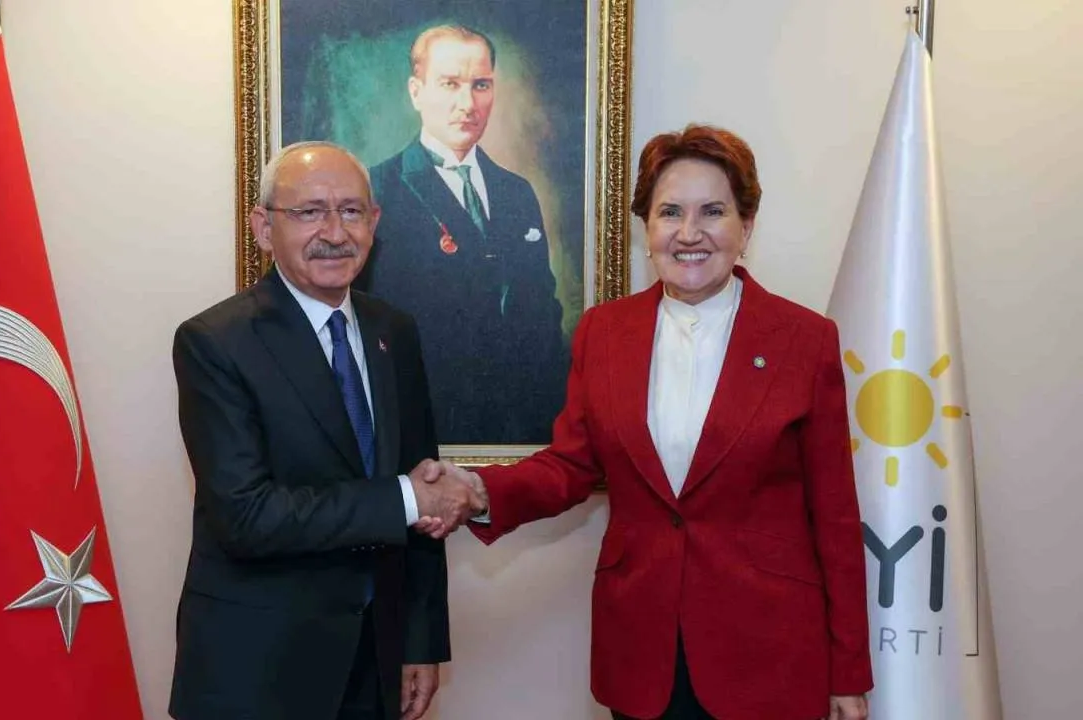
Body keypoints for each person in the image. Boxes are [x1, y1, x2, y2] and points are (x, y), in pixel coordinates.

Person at [425, 125, 873, 719]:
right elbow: (571, 465)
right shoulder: (605, 332)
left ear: (746, 226)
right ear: (647, 227)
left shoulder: (804, 340)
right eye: (670, 213)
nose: (689, 233)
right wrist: (481, 491)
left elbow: (835, 518)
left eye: (713, 211)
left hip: (768, 652)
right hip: (641, 646)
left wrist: (848, 673)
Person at [168, 141, 484, 720]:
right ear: (264, 228)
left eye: (351, 211)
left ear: (374, 222)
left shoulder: (394, 332)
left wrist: (419, 641)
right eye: (309, 212)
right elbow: (246, 517)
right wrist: (407, 498)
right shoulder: (214, 342)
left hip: (376, 660)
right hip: (257, 671)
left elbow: (423, 484)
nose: (334, 233)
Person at [356, 24, 567, 445]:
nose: (467, 104)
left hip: (518, 430)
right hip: (421, 427)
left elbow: (542, 313)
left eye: (480, 85)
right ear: (416, 92)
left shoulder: (516, 192)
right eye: (450, 84)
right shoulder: (376, 190)